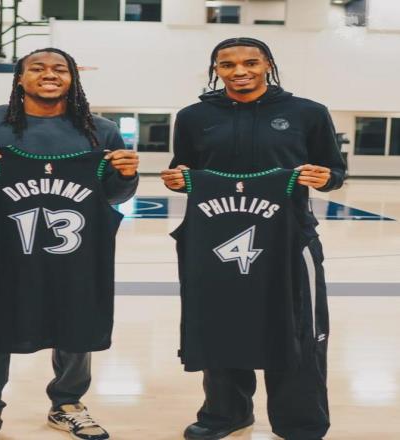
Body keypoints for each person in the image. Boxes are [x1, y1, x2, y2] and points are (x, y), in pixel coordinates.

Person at [0, 47, 139, 440]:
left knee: (76, 327)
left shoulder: (100, 129)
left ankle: (67, 404)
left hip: (72, 250)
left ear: (73, 78)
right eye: (37, 68)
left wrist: (126, 176)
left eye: (60, 69)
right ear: (19, 78)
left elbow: (111, 196)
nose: (49, 74)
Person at [161, 37, 345, 440]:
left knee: (298, 327)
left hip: (289, 239)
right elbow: (184, 168)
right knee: (222, 324)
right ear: (215, 70)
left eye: (250, 62)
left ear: (268, 65)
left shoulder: (308, 112)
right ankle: (225, 414)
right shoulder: (193, 117)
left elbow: (334, 170)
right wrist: (177, 179)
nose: (239, 71)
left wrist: (327, 178)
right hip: (215, 240)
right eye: (227, 65)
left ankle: (300, 422)